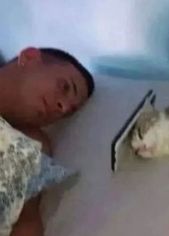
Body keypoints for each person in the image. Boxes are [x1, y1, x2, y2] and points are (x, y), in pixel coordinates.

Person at [0, 47, 95, 236]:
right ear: (29, 57)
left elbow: (26, 224)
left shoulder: (28, 147)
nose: (63, 107)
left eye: (69, 112)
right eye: (64, 87)